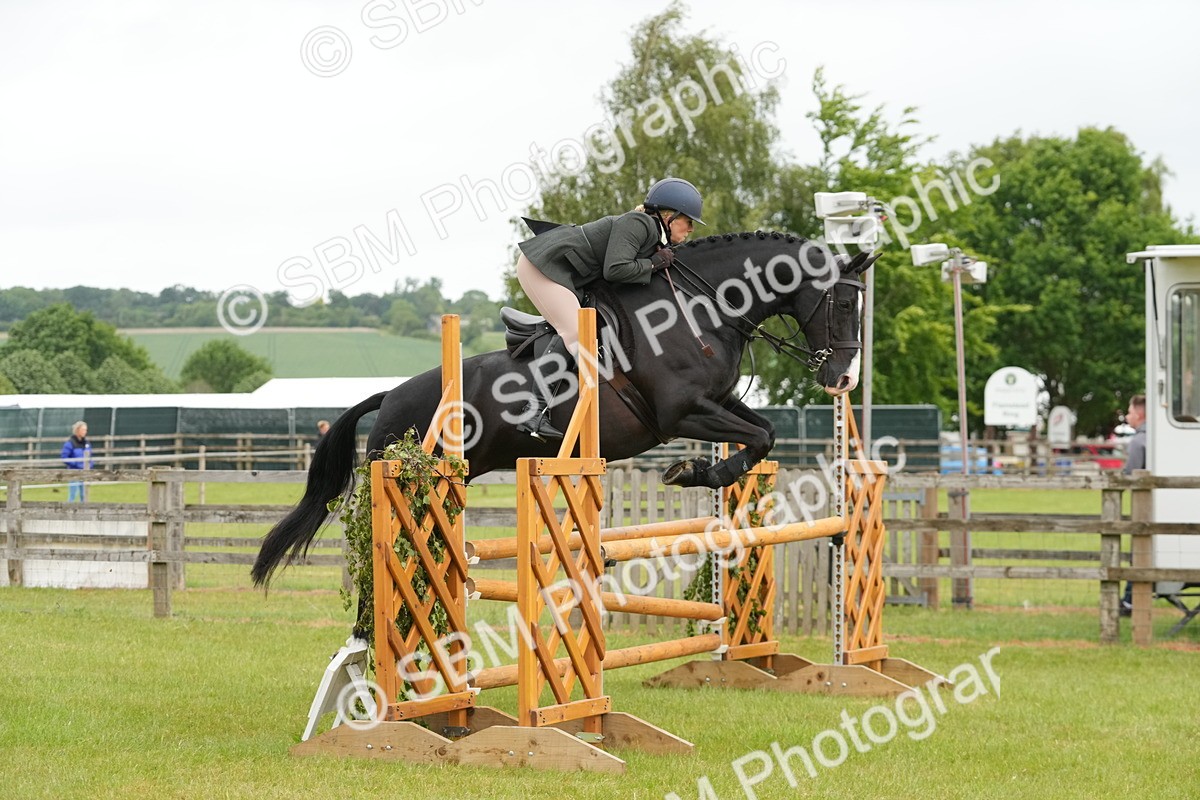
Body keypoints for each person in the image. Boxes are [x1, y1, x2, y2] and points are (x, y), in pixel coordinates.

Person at [514, 177, 705, 441]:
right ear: (670, 216)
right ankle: (532, 412)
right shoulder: (639, 224)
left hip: (565, 274)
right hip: (541, 267)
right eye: (689, 220)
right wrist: (653, 264)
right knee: (575, 333)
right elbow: (615, 269)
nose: (692, 228)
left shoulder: (653, 235)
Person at [1120, 394, 1147, 615]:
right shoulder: (1157, 437)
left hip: (1145, 507)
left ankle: (1129, 600)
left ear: (1138, 414)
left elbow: (1130, 474)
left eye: (1129, 412)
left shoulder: (1139, 441)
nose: (1128, 416)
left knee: (1139, 553)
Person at [60, 420, 92, 502]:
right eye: (83, 430)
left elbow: (90, 457)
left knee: (84, 495)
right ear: (78, 430)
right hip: (73, 472)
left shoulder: (86, 443)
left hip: (85, 472)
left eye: (86, 430)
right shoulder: (70, 443)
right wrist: (77, 464)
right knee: (72, 495)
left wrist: (89, 465)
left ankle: (84, 512)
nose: (85, 432)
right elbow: (64, 457)